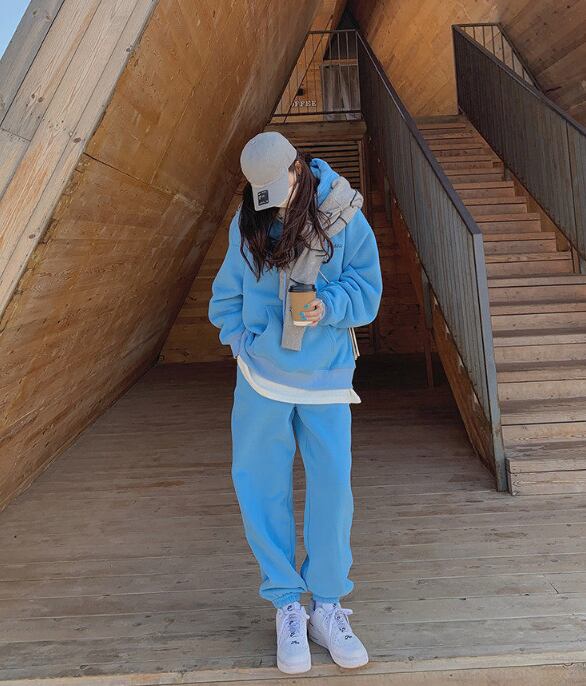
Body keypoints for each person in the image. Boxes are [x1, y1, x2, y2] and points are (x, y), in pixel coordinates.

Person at [208, 131, 383, 674]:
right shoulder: (249, 222)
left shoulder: (345, 216)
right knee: (260, 489)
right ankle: (287, 604)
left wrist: (327, 306)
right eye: (260, 194)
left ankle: (327, 606)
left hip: (326, 377)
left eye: (277, 189)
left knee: (333, 490)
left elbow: (368, 292)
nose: (272, 204)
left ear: (297, 169)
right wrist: (243, 344)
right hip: (261, 379)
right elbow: (225, 298)